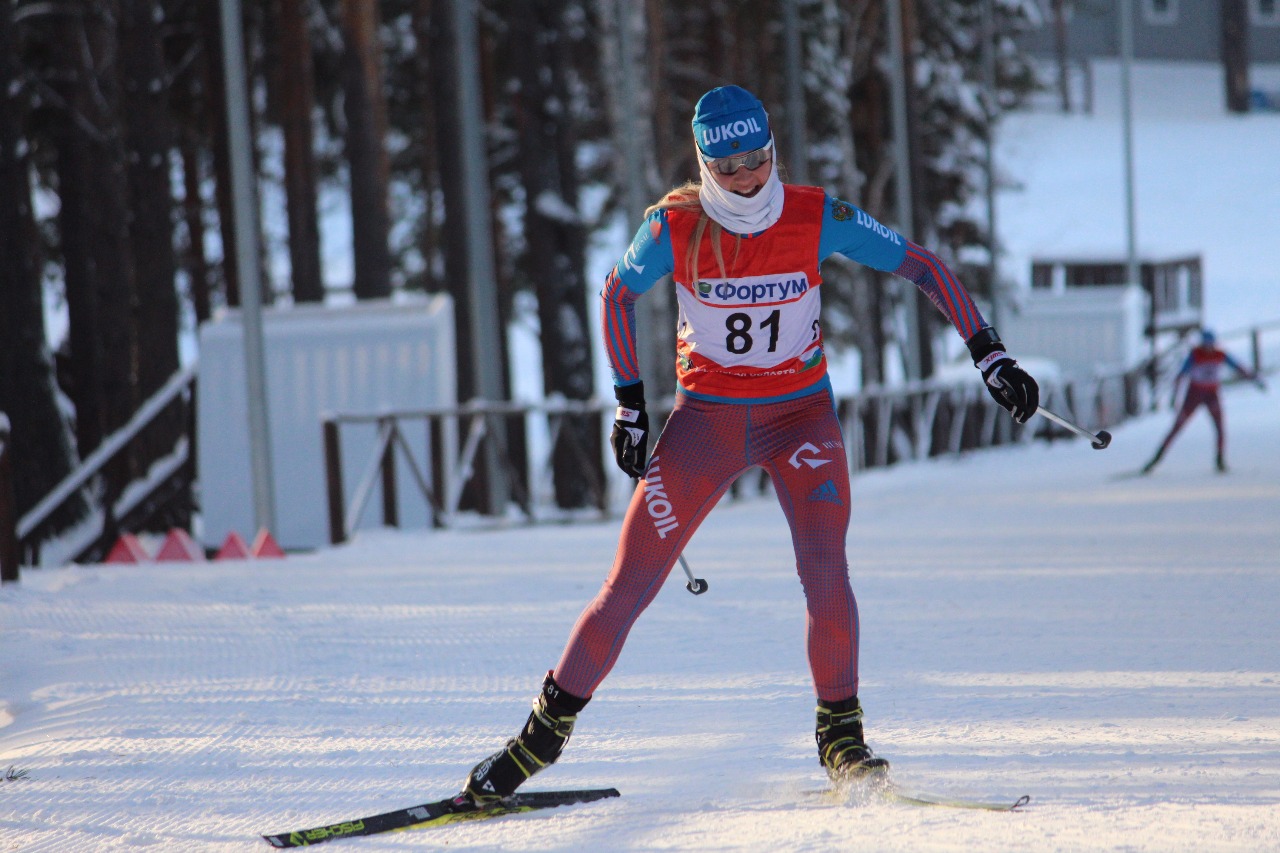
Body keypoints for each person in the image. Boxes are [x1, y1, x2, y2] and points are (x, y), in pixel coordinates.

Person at [460, 85, 1039, 804]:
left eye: (756, 159)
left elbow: (923, 264)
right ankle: (534, 743)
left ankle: (842, 737)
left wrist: (989, 353)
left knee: (826, 571)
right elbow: (614, 293)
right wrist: (630, 405)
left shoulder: (814, 213)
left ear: (773, 150)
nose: (745, 178)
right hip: (707, 422)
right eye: (727, 165)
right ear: (704, 163)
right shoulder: (675, 226)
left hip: (801, 420)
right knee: (627, 586)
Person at [1142, 328, 1265, 474]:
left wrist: (1253, 379)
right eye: (1206, 345)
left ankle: (1220, 460)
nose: (1209, 348)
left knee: (1219, 427)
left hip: (1211, 394)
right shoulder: (1195, 355)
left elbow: (1238, 367)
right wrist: (1175, 398)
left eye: (1211, 345)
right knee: (1177, 427)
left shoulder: (1220, 355)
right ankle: (1156, 459)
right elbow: (1181, 375)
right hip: (1194, 395)